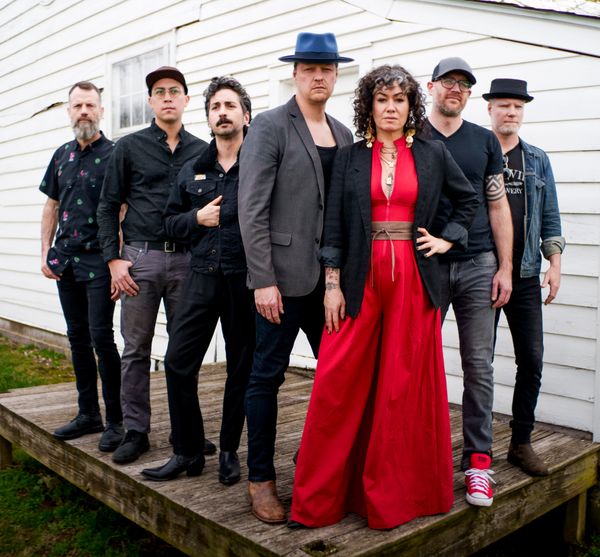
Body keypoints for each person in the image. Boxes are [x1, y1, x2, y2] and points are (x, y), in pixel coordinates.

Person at [290, 64, 478, 530]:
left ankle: (396, 496)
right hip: (360, 278)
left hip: (414, 281)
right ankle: (320, 500)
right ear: (369, 106)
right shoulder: (350, 157)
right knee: (338, 381)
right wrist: (331, 285)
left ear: (411, 105)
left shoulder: (432, 154)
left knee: (401, 387)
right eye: (382, 99)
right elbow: (334, 226)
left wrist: (447, 239)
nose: (390, 107)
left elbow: (468, 200)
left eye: (399, 99)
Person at [238, 32, 353, 524]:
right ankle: (260, 479)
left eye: (327, 68)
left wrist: (340, 280)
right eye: (310, 68)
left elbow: (344, 213)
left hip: (330, 285)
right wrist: (263, 278)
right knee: (266, 377)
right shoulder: (269, 126)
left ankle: (314, 463)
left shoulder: (344, 134)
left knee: (338, 377)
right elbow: (251, 208)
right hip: (281, 282)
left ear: (336, 75)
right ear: (295, 74)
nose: (319, 76)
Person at [141, 76, 254, 485]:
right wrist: (197, 218)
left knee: (241, 369)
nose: (222, 113)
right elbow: (168, 222)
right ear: (207, 118)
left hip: (245, 281)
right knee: (177, 364)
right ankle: (187, 451)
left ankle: (228, 450)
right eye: (215, 107)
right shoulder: (194, 169)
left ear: (245, 115)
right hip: (201, 278)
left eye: (230, 105)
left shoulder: (260, 164)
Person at [97, 66, 213, 464]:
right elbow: (108, 206)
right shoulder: (128, 148)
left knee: (185, 351)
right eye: (159, 92)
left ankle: (186, 431)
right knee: (135, 349)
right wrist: (114, 259)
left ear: (186, 99)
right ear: (150, 101)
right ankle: (136, 431)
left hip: (187, 261)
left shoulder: (202, 150)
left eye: (174, 91)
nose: (167, 97)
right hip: (140, 259)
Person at [424, 57, 514, 507]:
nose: (455, 89)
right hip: (426, 264)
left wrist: (505, 267)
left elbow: (497, 205)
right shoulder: (412, 135)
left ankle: (478, 463)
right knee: (419, 361)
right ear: (431, 87)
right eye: (448, 81)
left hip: (478, 263)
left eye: (464, 84)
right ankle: (422, 456)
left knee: (479, 365)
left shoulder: (484, 141)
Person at [484, 78, 565, 476]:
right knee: (480, 364)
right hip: (484, 275)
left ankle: (521, 441)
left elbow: (550, 215)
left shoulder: (536, 159)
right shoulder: (478, 152)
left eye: (517, 106)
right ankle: (478, 446)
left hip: (528, 274)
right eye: (503, 105)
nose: (511, 112)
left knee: (531, 360)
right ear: (490, 109)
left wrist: (555, 263)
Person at [40, 81, 123, 452]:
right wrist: (46, 251)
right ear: (69, 111)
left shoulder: (116, 155)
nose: (84, 111)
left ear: (101, 110)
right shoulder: (61, 155)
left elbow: (123, 210)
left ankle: (116, 420)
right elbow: (51, 206)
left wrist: (119, 260)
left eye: (90, 105)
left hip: (101, 261)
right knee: (77, 338)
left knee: (102, 338)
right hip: (67, 262)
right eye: (78, 106)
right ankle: (88, 413)